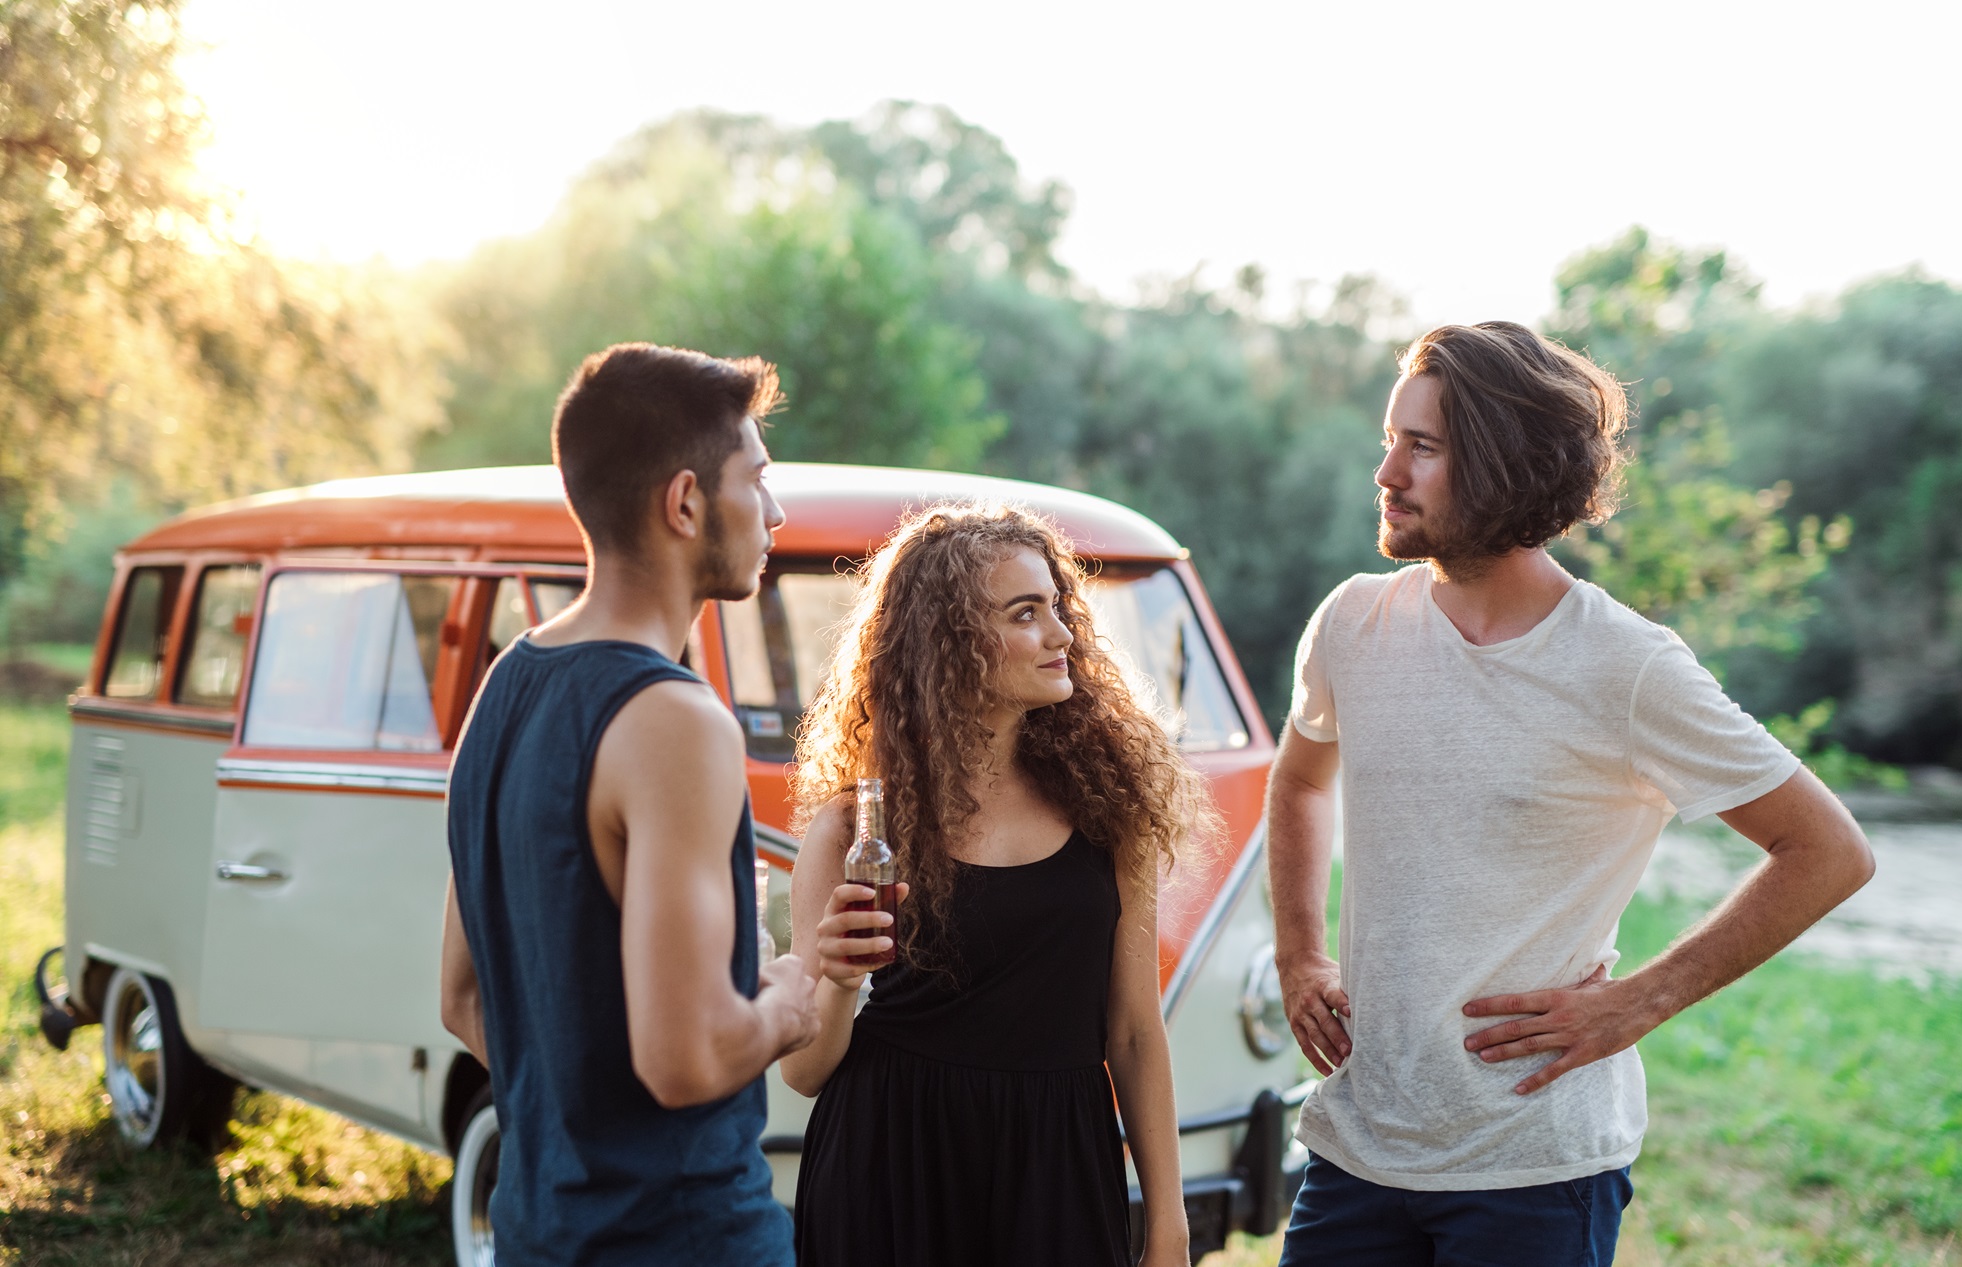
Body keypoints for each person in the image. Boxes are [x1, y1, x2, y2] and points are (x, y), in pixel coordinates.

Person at [1268, 322, 1876, 1266]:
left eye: (1421, 447)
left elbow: (1830, 851)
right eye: (1388, 441)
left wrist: (1639, 1001)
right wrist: (1301, 953)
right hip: (1360, 1147)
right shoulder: (1352, 623)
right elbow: (1302, 777)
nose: (1386, 472)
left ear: (1505, 466)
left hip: (1534, 1169)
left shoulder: (1628, 667)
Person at [439, 344, 819, 1265]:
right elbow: (685, 1058)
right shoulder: (677, 722)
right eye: (756, 480)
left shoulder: (504, 686)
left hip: (543, 1231)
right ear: (686, 503)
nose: (775, 511)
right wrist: (786, 999)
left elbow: (460, 998)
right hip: (686, 1239)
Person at [778, 504, 1208, 1267]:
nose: (1063, 633)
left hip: (1058, 1168)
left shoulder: (1110, 809)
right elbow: (806, 1072)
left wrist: (1169, 1227)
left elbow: (1135, 1031)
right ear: (951, 645)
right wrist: (840, 981)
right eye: (1025, 613)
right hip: (889, 1167)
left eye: (1056, 606)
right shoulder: (854, 828)